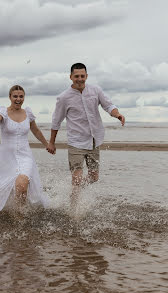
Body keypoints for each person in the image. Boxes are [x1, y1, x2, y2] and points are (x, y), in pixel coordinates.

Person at [46, 63, 125, 204]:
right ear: (71, 77)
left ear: (86, 76)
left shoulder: (95, 90)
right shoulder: (64, 97)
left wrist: (117, 114)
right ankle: (74, 210)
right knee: (77, 177)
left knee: (94, 177)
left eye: (82, 76)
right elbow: (56, 121)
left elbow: (108, 105)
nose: (80, 79)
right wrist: (51, 142)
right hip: (76, 142)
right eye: (77, 76)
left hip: (94, 139)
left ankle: (73, 192)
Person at [0, 85, 50, 216]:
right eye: (15, 96)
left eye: (21, 96)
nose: (18, 99)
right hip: (7, 158)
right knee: (9, 187)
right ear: (10, 97)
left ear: (24, 97)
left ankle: (20, 215)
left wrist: (47, 144)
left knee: (22, 183)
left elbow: (35, 130)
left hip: (25, 156)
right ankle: (10, 208)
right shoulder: (3, 112)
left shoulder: (28, 113)